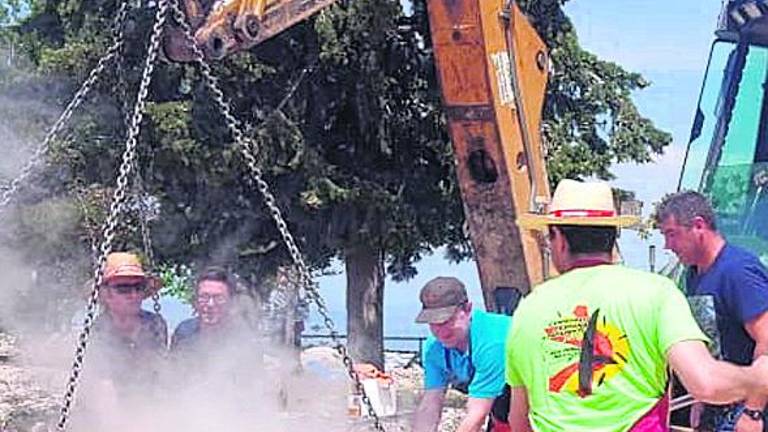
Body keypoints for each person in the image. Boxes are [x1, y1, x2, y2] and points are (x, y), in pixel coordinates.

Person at [505, 179, 768, 432]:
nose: (668, 245)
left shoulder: (528, 310)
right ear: (612, 236)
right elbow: (706, 382)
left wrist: (752, 409)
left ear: (559, 240)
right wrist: (756, 380)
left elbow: (519, 421)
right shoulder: (656, 293)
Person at [657, 190, 768, 432]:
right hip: (717, 410)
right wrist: (703, 400)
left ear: (698, 226)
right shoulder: (693, 275)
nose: (668, 245)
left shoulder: (738, 271)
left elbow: (767, 341)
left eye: (672, 234)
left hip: (747, 410)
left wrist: (754, 411)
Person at [412, 276, 512, 432]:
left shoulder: (493, 340)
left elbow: (477, 413)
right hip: (501, 410)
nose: (441, 331)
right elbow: (430, 404)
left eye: (447, 321)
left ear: (468, 309)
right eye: (433, 324)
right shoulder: (434, 348)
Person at [91, 252, 167, 392]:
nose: (134, 295)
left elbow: (158, 373)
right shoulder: (97, 332)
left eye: (139, 288)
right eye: (124, 289)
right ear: (106, 295)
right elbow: (103, 384)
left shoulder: (155, 324)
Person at [171, 266, 239, 354]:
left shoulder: (242, 336)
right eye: (204, 297)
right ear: (195, 301)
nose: (210, 304)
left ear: (231, 302)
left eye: (218, 298)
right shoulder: (184, 333)